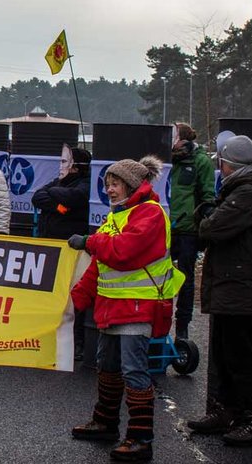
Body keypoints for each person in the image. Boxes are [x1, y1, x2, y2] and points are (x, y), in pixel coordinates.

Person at [68, 156, 184, 462]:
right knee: (106, 365)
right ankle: (105, 423)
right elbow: (99, 268)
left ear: (132, 186)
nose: (109, 189)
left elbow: (122, 253)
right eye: (107, 183)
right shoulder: (118, 215)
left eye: (115, 183)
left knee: (134, 371)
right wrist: (73, 301)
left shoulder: (151, 214)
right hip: (112, 307)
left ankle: (141, 438)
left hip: (139, 308)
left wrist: (90, 242)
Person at [186, 135, 252, 446]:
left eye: (221, 162)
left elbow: (212, 229)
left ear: (230, 164)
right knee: (226, 353)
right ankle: (226, 410)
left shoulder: (249, 193)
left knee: (242, 355)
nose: (219, 167)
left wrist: (206, 216)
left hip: (241, 286)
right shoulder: (240, 190)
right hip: (231, 283)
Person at [32, 145, 92, 360]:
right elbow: (37, 197)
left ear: (76, 166)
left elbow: (74, 198)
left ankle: (77, 341)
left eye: (64, 162)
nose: (60, 167)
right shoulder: (59, 182)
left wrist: (55, 196)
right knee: (52, 293)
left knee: (74, 295)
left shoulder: (86, 184)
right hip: (51, 246)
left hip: (72, 249)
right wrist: (58, 207)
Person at [168, 122, 214, 339]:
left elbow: (207, 196)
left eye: (173, 136)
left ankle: (182, 328)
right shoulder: (164, 160)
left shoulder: (201, 161)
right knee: (158, 276)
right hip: (163, 228)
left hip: (187, 230)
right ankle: (158, 323)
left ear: (183, 139)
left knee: (185, 280)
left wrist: (202, 225)